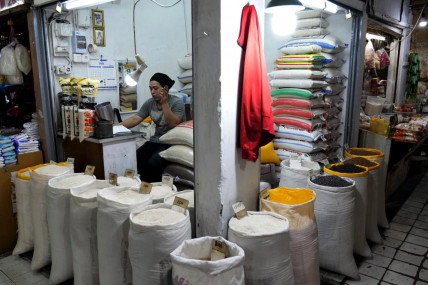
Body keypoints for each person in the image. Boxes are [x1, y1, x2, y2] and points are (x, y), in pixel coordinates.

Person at [117, 72, 186, 182]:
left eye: (155, 88)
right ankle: (142, 185)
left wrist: (164, 104)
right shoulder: (150, 103)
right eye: (150, 89)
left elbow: (173, 124)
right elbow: (136, 119)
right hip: (156, 140)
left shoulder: (177, 103)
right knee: (137, 156)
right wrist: (115, 127)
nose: (152, 92)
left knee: (153, 162)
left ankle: (154, 189)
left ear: (165, 88)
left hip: (172, 142)